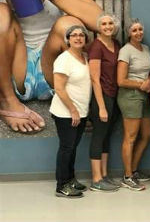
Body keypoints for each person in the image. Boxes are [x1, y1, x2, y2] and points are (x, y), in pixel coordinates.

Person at [0, 0, 103, 133]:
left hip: (54, 71)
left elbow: (101, 22)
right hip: (11, 71)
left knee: (70, 25)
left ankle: (77, 101)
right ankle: (7, 101)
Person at [50, 25, 91, 198]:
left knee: (73, 148)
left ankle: (70, 179)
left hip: (80, 112)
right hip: (66, 113)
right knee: (66, 148)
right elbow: (59, 88)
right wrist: (73, 110)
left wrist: (80, 111)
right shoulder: (63, 59)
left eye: (81, 35)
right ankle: (61, 186)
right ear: (68, 39)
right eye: (73, 35)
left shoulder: (84, 57)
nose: (78, 38)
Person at [117, 19, 150, 191]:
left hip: (145, 95)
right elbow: (121, 80)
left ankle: (134, 169)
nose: (138, 33)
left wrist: (149, 81)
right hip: (130, 96)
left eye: (140, 29)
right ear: (129, 33)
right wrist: (140, 85)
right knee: (130, 137)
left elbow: (149, 72)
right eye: (134, 30)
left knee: (147, 134)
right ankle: (128, 176)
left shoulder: (146, 49)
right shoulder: (125, 51)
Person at [88, 14, 121, 192]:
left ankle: (104, 175)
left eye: (110, 23)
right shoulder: (96, 47)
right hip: (102, 97)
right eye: (104, 24)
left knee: (107, 137)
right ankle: (96, 179)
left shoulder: (116, 44)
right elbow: (94, 79)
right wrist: (101, 106)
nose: (108, 26)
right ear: (99, 27)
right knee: (99, 137)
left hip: (115, 97)